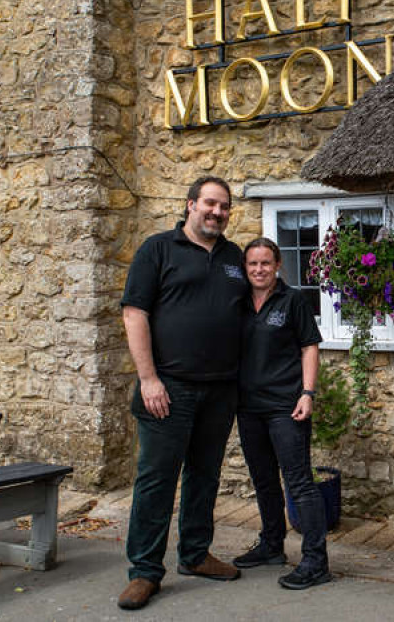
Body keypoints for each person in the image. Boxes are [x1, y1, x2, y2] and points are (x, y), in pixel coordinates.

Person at [117, 176, 248, 611]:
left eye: (224, 206)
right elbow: (135, 314)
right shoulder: (157, 249)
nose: (217, 211)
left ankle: (195, 555)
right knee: (156, 480)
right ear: (190, 205)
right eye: (210, 203)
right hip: (167, 389)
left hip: (220, 390)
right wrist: (148, 378)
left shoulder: (234, 258)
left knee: (204, 476)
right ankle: (144, 572)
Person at [231, 237, 331, 590]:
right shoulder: (239, 302)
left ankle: (316, 561)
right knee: (263, 481)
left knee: (299, 482)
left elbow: (309, 347)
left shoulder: (293, 301)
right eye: (252, 264)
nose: (259, 269)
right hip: (248, 408)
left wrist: (308, 393)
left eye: (265, 263)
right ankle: (272, 546)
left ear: (277, 266)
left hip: (286, 407)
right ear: (246, 268)